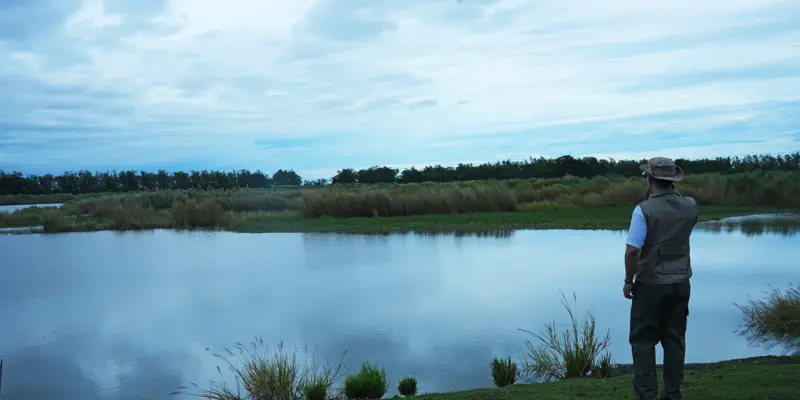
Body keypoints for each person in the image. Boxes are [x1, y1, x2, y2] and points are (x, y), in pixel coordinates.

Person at [623, 157, 699, 400]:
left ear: (651, 179)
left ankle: (646, 396)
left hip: (651, 284)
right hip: (681, 282)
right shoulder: (690, 206)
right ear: (673, 180)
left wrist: (628, 281)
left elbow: (633, 250)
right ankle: (673, 395)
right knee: (675, 340)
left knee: (643, 341)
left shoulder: (643, 210)